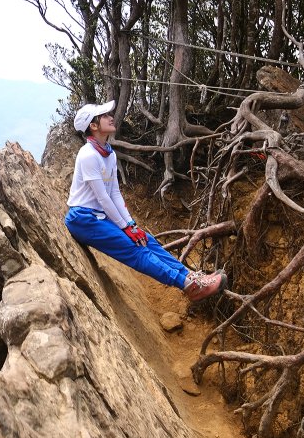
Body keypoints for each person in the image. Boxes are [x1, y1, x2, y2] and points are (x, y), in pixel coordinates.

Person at [64, 101, 226, 302]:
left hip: (99, 216)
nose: (110, 116)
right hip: (83, 219)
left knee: (147, 239)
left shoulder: (109, 153)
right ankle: (187, 285)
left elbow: (114, 192)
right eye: (104, 115)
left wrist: (131, 225)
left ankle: (190, 276)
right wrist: (126, 227)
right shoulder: (88, 155)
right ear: (93, 126)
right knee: (136, 249)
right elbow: (103, 198)